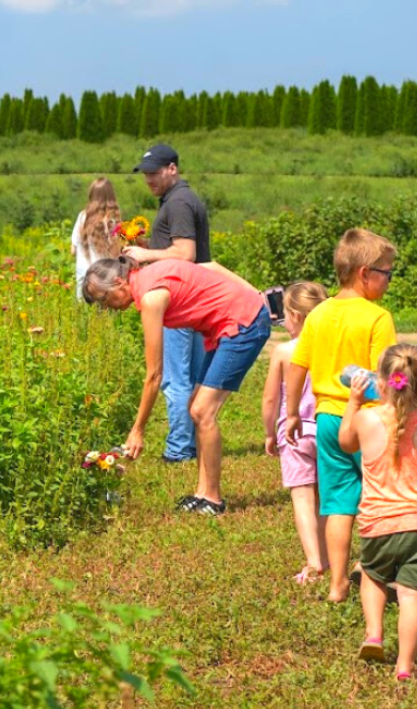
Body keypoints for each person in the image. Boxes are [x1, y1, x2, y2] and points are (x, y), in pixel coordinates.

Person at [83, 256, 270, 515]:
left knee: (203, 411)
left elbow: (154, 375)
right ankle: (202, 493)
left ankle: (213, 500)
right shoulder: (147, 278)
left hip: (243, 323)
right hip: (224, 327)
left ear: (118, 282)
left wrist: (138, 430)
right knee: (195, 407)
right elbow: (204, 268)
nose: (108, 308)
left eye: (104, 300)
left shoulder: (150, 297)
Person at [284, 228, 398, 602]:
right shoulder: (377, 317)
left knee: (336, 504)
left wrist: (292, 414)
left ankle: (336, 584)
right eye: (386, 273)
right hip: (367, 422)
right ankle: (370, 571)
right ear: (365, 273)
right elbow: (387, 377)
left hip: (328, 420)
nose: (388, 280)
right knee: (378, 496)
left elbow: (297, 366)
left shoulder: (318, 314)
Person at [338, 345, 417, 681]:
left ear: (381, 379)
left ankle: (374, 635)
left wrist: (353, 402)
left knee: (373, 577)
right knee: (411, 594)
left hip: (378, 523)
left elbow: (346, 443)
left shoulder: (365, 418)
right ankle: (405, 666)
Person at [123, 144, 210, 464]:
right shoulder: (178, 200)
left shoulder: (179, 202)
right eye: (145, 173)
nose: (149, 179)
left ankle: (179, 449)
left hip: (179, 300)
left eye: (155, 172)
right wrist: (150, 245)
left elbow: (185, 254)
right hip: (195, 298)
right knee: (197, 376)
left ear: (172, 168)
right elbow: (178, 248)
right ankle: (193, 441)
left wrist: (145, 255)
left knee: (175, 378)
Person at [262, 281, 329, 583]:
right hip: (329, 428)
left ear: (296, 316)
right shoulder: (332, 350)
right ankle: (333, 560)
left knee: (303, 498)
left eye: (285, 315)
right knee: (329, 498)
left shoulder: (283, 351)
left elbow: (270, 399)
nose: (283, 322)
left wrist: (267, 433)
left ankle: (314, 565)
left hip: (295, 433)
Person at [71, 178, 122, 299]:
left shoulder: (82, 216)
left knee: (82, 313)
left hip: (83, 276)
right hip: (105, 278)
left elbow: (73, 250)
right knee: (105, 314)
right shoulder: (112, 221)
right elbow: (117, 253)